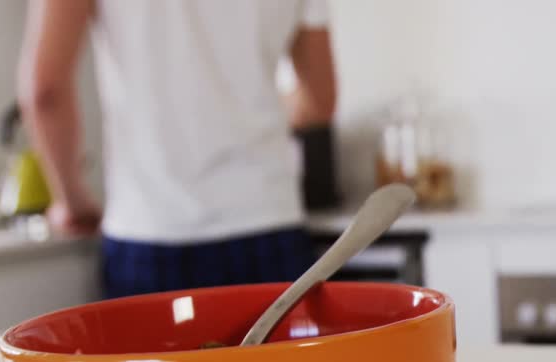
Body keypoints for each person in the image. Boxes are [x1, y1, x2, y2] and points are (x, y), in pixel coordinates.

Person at [18, 0, 337, 298]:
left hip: (147, 236)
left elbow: (45, 94)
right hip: (269, 226)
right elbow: (319, 99)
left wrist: (73, 204)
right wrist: (243, 117)